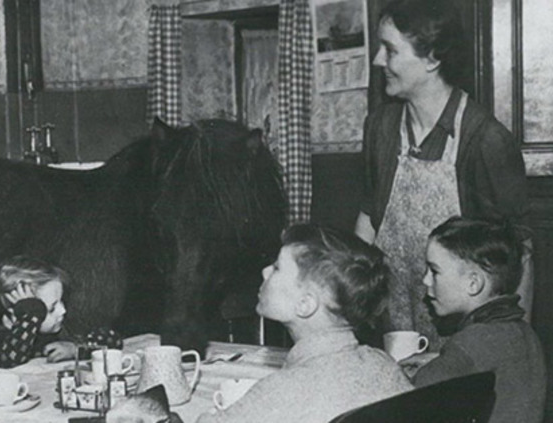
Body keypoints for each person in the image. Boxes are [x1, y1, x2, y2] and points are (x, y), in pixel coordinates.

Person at [355, 0, 530, 348]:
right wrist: (353, 310)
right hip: (391, 329)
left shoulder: (486, 140)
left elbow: (520, 255)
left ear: (432, 58)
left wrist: (514, 350)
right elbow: (368, 222)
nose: (378, 61)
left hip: (465, 343)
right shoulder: (380, 128)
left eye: (389, 50)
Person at [197, 224, 412, 423]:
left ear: (305, 304)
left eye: (277, 267)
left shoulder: (281, 392)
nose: (264, 271)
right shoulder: (384, 365)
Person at [401, 216, 546, 422]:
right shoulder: (525, 333)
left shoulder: (471, 342)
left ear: (473, 283)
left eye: (434, 271)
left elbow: (410, 400)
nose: (425, 280)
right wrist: (439, 360)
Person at [0, 255, 76, 367]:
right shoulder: (2, 338)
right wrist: (30, 315)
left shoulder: (57, 329)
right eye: (52, 309)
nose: (63, 311)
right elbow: (12, 361)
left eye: (61, 301)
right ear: (16, 315)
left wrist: (74, 350)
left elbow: (98, 345)